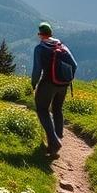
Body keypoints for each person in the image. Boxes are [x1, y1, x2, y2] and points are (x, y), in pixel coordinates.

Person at [30, 23, 77, 158]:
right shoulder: (61, 46)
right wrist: (68, 79)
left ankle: (54, 141)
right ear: (51, 33)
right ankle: (57, 138)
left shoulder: (40, 48)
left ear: (40, 35)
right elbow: (74, 65)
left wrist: (33, 84)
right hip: (63, 84)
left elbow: (37, 70)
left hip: (47, 83)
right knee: (57, 109)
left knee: (42, 110)